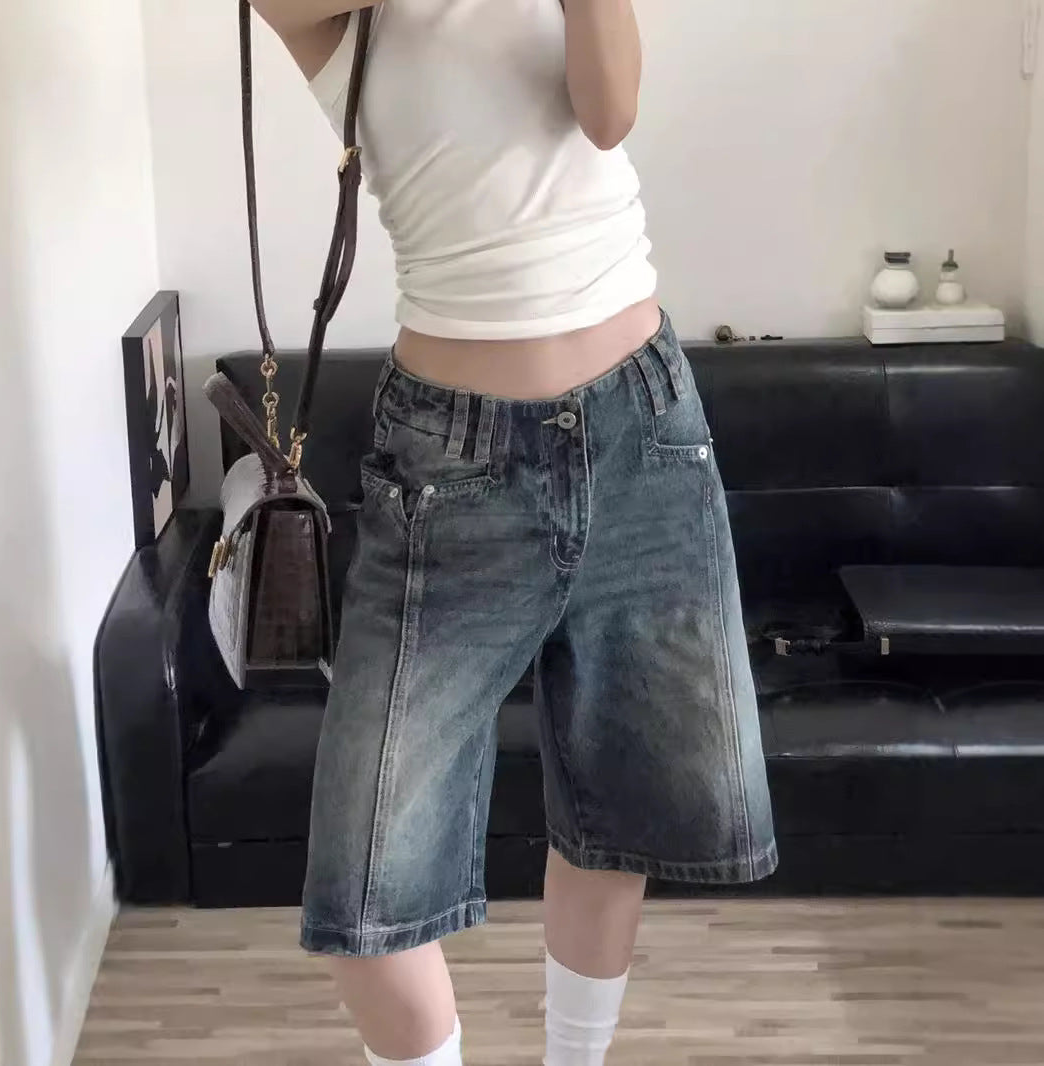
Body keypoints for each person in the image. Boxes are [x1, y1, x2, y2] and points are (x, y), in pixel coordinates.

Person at [249, 2, 777, 1064]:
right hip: (450, 467)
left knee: (615, 819)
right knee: (366, 884)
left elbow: (609, 113)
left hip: (641, 432)